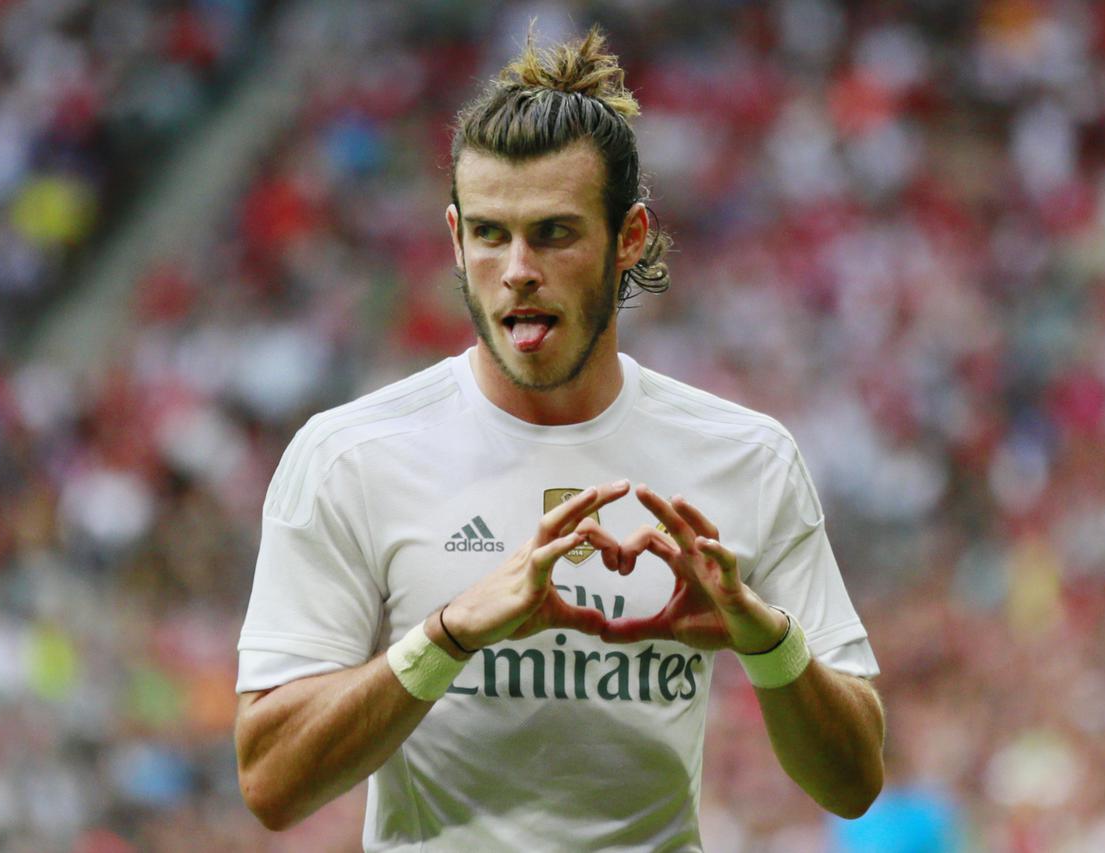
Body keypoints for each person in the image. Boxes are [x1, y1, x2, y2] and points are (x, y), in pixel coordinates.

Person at [234, 27, 885, 850]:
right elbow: (270, 779)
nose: (516, 269)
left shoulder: (745, 456)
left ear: (631, 238)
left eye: (554, 232)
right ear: (454, 236)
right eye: (490, 234)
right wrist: (449, 633)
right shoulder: (349, 456)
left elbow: (856, 778)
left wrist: (766, 640)